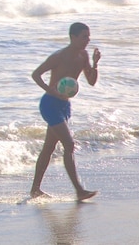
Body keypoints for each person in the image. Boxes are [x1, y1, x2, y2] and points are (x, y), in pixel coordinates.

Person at [30, 22, 101, 201]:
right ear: (73, 37)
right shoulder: (59, 56)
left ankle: (35, 190)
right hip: (50, 104)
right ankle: (79, 190)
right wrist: (49, 89)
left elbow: (91, 81)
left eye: (89, 36)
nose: (88, 40)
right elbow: (36, 74)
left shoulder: (83, 56)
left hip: (64, 106)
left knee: (48, 148)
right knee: (69, 145)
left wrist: (95, 64)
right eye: (84, 36)